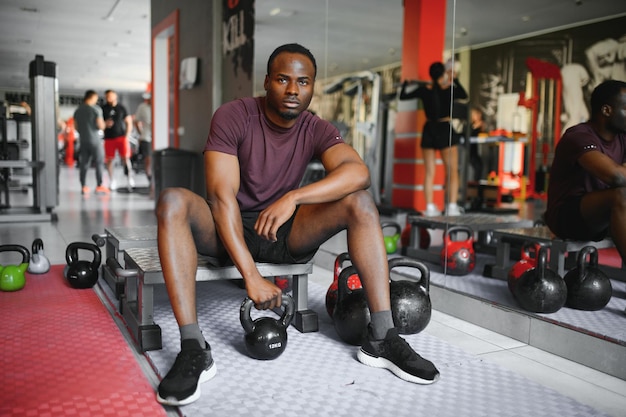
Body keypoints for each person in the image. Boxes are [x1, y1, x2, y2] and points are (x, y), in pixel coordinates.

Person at [154, 43, 439, 406]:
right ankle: (194, 347)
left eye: (303, 82)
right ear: (267, 82)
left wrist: (294, 197)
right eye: (283, 80)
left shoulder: (316, 128)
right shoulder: (233, 115)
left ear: (313, 86)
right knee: (172, 200)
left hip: (283, 231)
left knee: (361, 203)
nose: (293, 90)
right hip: (228, 231)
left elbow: (358, 173)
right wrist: (252, 276)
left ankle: (382, 337)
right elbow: (222, 199)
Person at [545, 80, 626, 266]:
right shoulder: (578, 136)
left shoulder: (623, 138)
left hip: (602, 216)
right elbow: (617, 176)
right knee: (621, 195)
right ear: (607, 111)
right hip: (567, 218)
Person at [400, 61, 468, 216]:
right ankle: (451, 207)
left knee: (429, 172)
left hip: (429, 129)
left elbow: (403, 96)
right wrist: (454, 79)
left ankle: (430, 207)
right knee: (452, 171)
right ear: (443, 73)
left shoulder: (424, 90)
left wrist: (406, 84)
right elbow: (464, 95)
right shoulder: (449, 89)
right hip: (444, 129)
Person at [73, 90, 108, 195]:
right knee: (99, 162)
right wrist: (105, 124)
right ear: (92, 97)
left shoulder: (78, 110)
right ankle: (99, 185)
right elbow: (101, 125)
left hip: (83, 140)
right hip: (95, 140)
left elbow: (76, 127)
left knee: (84, 163)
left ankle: (83, 186)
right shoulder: (96, 109)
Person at [102, 89, 134, 191]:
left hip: (121, 137)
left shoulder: (121, 108)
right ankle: (112, 180)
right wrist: (105, 124)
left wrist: (127, 135)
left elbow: (129, 122)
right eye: (107, 96)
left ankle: (129, 178)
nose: (109, 98)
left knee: (125, 158)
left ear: (115, 96)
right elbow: (99, 124)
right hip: (108, 138)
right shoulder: (103, 109)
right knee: (109, 160)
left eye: (110, 96)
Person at [134, 92, 153, 185]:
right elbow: (136, 121)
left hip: (159, 137)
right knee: (148, 159)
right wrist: (140, 133)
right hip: (146, 137)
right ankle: (150, 179)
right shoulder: (143, 107)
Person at [469, 106, 485, 182]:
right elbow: (469, 134)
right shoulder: (469, 125)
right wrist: (475, 127)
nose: (479, 117)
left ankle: (476, 185)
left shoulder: (479, 125)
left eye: (479, 115)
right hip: (468, 151)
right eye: (477, 115)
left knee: (479, 166)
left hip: (475, 151)